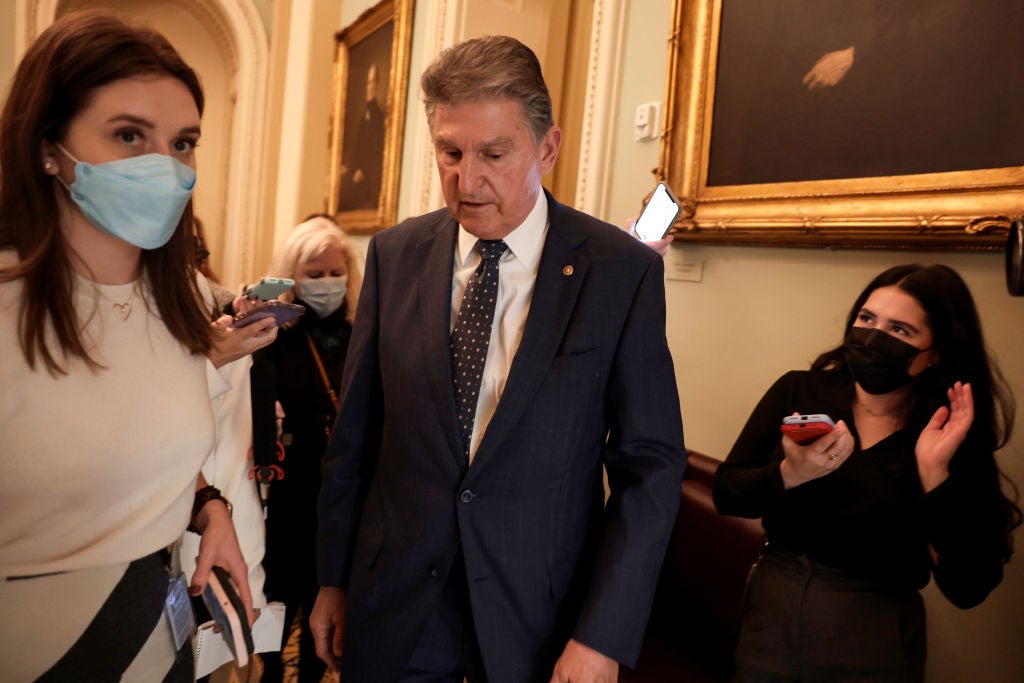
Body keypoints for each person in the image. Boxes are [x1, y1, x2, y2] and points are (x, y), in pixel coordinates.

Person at [310, 35, 686, 683]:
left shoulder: (617, 273)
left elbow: (648, 471)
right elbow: (356, 439)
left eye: (493, 153)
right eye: (449, 152)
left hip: (535, 618)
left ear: (547, 147)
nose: (467, 179)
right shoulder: (395, 255)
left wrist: (603, 634)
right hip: (395, 603)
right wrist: (332, 579)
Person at [0, 10, 276, 681]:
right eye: (129, 135)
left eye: (183, 143)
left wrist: (208, 505)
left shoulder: (174, 303)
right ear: (47, 146)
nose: (164, 166)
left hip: (158, 634)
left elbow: (143, 441)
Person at [712, 264, 1022, 681]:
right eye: (867, 318)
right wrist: (789, 473)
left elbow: (968, 587)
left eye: (900, 331)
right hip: (773, 610)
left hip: (872, 632)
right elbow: (727, 493)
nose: (873, 337)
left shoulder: (945, 431)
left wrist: (933, 473)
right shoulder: (800, 391)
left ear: (936, 352)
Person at [252, 214, 362, 682]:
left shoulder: (361, 334)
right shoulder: (276, 335)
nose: (326, 283)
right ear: (294, 279)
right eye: (314, 276)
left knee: (326, 604)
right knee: (278, 597)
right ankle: (272, 670)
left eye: (334, 273)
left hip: (341, 495)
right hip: (287, 489)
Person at [338, 63, 386, 211]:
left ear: (377, 85)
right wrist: (348, 165)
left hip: (363, 174)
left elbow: (374, 148)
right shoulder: (365, 110)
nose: (370, 86)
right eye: (368, 82)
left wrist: (362, 170)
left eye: (373, 82)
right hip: (354, 169)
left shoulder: (377, 115)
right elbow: (358, 143)